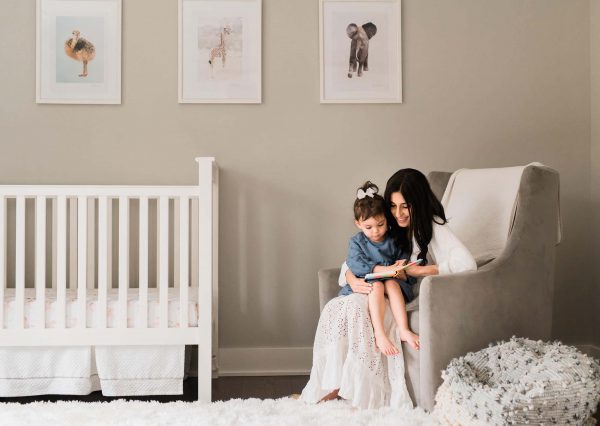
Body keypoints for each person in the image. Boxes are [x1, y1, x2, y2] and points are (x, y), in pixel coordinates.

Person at [300, 168, 477, 409]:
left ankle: (360, 393)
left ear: (419, 203)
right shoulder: (387, 226)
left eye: (405, 206)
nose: (399, 214)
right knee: (342, 306)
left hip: (403, 290)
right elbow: (356, 261)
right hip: (377, 286)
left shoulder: (433, 226)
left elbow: (467, 263)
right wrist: (351, 278)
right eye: (393, 207)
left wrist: (421, 270)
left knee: (355, 305)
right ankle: (336, 385)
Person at [343, 181, 419, 355]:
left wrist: (399, 270)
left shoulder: (395, 239)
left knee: (390, 283)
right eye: (368, 227)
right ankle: (380, 333)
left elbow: (404, 263)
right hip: (372, 281)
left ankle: (404, 330)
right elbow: (355, 264)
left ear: (387, 219)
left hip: (394, 283)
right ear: (358, 224)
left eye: (380, 224)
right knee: (376, 285)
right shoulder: (357, 242)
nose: (376, 231)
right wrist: (384, 270)